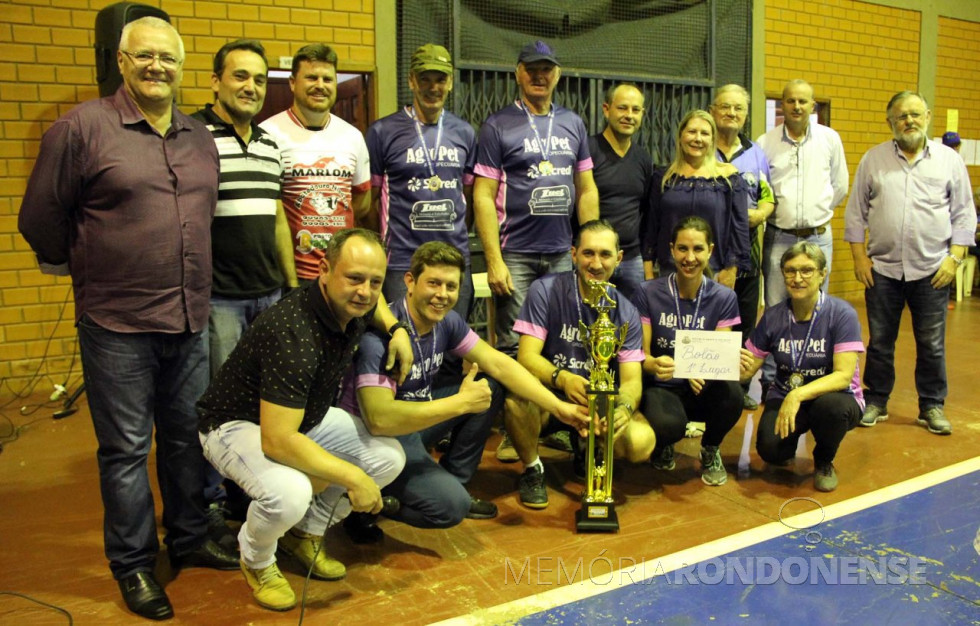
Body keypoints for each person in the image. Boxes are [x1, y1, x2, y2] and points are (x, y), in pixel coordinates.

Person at [18, 17, 238, 620]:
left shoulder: (197, 136)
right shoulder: (82, 129)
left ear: (182, 65)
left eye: (168, 58)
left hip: (189, 317)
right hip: (116, 323)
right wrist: (91, 269)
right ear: (121, 61)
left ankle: (190, 540)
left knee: (184, 440)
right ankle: (135, 565)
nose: (157, 68)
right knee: (124, 450)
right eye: (144, 57)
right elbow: (39, 218)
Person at [196, 229, 413, 612]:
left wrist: (396, 329)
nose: (364, 291)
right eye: (354, 278)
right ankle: (257, 558)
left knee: (388, 458)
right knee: (291, 491)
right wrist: (353, 477)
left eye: (374, 281)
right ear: (324, 270)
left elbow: (373, 302)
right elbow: (277, 441)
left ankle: (305, 533)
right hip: (234, 425)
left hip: (300, 416)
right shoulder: (294, 331)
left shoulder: (352, 306)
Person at [340, 241, 588, 538]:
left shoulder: (447, 322)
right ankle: (362, 508)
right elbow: (380, 420)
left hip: (415, 425)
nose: (442, 295)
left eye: (451, 286)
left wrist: (558, 407)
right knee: (449, 508)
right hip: (378, 440)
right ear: (409, 281)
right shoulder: (380, 339)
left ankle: (454, 479)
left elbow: (499, 364)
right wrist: (461, 403)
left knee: (490, 386)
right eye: (433, 283)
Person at [191, 38, 298, 539]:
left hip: (269, 295)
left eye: (258, 79)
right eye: (239, 76)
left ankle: (246, 488)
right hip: (219, 299)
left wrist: (291, 285)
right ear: (215, 81)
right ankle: (210, 502)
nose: (250, 87)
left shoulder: (271, 144)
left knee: (262, 402)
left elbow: (277, 217)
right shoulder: (192, 136)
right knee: (219, 406)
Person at [844, 91, 975, 435]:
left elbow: (964, 214)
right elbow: (856, 214)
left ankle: (931, 405)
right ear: (890, 122)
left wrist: (955, 259)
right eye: (901, 116)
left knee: (931, 343)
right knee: (880, 341)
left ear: (928, 116)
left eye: (915, 114)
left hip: (933, 269)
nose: (909, 121)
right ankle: (876, 400)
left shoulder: (949, 161)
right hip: (883, 269)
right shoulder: (874, 160)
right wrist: (860, 259)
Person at [506, 220, 656, 509]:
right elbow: (526, 357)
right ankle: (533, 468)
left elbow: (631, 381)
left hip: (600, 403)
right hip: (552, 396)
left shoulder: (625, 311)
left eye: (605, 254)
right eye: (588, 253)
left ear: (619, 258)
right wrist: (562, 379)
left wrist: (622, 409)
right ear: (573, 254)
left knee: (641, 443)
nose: (596, 263)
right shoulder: (545, 290)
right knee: (516, 401)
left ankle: (589, 448)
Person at [473, 40, 599, 357]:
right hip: (514, 255)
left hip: (560, 253)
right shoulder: (496, 125)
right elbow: (483, 196)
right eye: (531, 69)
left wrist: (592, 247)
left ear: (557, 75)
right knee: (514, 345)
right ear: (518, 73)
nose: (539, 76)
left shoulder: (573, 123)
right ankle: (518, 407)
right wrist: (493, 260)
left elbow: (586, 189)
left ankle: (553, 406)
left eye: (546, 69)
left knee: (559, 339)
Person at [739, 243, 865, 492]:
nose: (797, 278)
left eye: (807, 270)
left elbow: (842, 376)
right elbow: (748, 368)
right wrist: (715, 363)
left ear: (822, 274)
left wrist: (798, 394)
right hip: (786, 395)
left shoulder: (841, 314)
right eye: (790, 271)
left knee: (831, 409)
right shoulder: (774, 316)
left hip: (834, 398)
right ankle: (791, 437)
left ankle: (824, 460)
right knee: (771, 450)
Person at [366, 44, 477, 318]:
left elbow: (469, 195)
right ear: (411, 81)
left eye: (440, 79)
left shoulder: (464, 132)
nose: (433, 87)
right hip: (402, 261)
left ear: (450, 83)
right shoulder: (382, 132)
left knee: (453, 348)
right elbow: (370, 202)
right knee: (401, 344)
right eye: (424, 79)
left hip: (454, 261)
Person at [634, 217, 743, 485]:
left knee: (733, 395)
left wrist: (713, 367)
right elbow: (641, 354)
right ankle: (664, 442)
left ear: (710, 251)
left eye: (698, 249)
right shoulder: (648, 292)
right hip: (664, 385)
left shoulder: (724, 297)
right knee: (668, 425)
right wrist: (652, 364)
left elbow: (719, 354)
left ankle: (710, 448)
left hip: (700, 386)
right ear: (672, 250)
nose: (690, 257)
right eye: (682, 248)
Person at [757, 79, 848, 397]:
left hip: (818, 237)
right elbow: (761, 190)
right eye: (791, 101)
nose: (797, 106)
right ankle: (771, 378)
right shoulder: (765, 142)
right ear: (782, 105)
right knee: (776, 308)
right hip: (779, 237)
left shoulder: (829, 139)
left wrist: (813, 214)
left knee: (815, 307)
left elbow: (840, 186)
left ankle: (814, 375)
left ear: (814, 106)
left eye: (804, 101)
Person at [260, 43, 371, 283]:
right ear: (292, 83)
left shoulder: (353, 137)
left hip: (342, 274)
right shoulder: (267, 135)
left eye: (327, 79)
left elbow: (362, 203)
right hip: (290, 276)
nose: (320, 85)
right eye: (311, 77)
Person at [710, 84, 774, 410]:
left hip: (748, 253)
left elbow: (767, 196)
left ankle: (740, 388)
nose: (732, 114)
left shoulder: (756, 154)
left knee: (744, 323)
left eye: (738, 108)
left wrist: (761, 213)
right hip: (708, 256)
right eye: (725, 107)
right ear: (712, 110)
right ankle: (707, 387)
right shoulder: (701, 147)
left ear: (746, 114)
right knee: (709, 321)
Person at [643, 110, 751, 287]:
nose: (698, 139)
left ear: (712, 140)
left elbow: (739, 229)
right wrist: (648, 271)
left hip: (714, 272)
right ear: (680, 136)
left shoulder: (729, 179)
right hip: (669, 271)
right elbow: (651, 226)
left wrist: (732, 270)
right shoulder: (663, 178)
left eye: (705, 133)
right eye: (692, 132)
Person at [589, 82, 654, 301]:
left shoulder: (643, 158)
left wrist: (646, 261)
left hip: (631, 259)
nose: (629, 115)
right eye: (622, 108)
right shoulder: (588, 150)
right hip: (594, 259)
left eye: (635, 110)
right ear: (606, 109)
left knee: (633, 324)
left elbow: (645, 210)